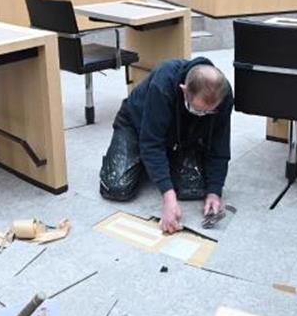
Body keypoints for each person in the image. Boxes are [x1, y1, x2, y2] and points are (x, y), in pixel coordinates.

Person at [99, 57, 232, 234]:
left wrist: (215, 191)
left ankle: (155, 164)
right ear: (183, 90)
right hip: (135, 125)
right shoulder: (164, 84)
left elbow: (219, 145)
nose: (203, 115)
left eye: (209, 112)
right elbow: (151, 143)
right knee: (117, 187)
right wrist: (169, 199)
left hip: (180, 137)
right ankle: (145, 163)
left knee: (193, 187)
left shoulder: (223, 95)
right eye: (198, 110)